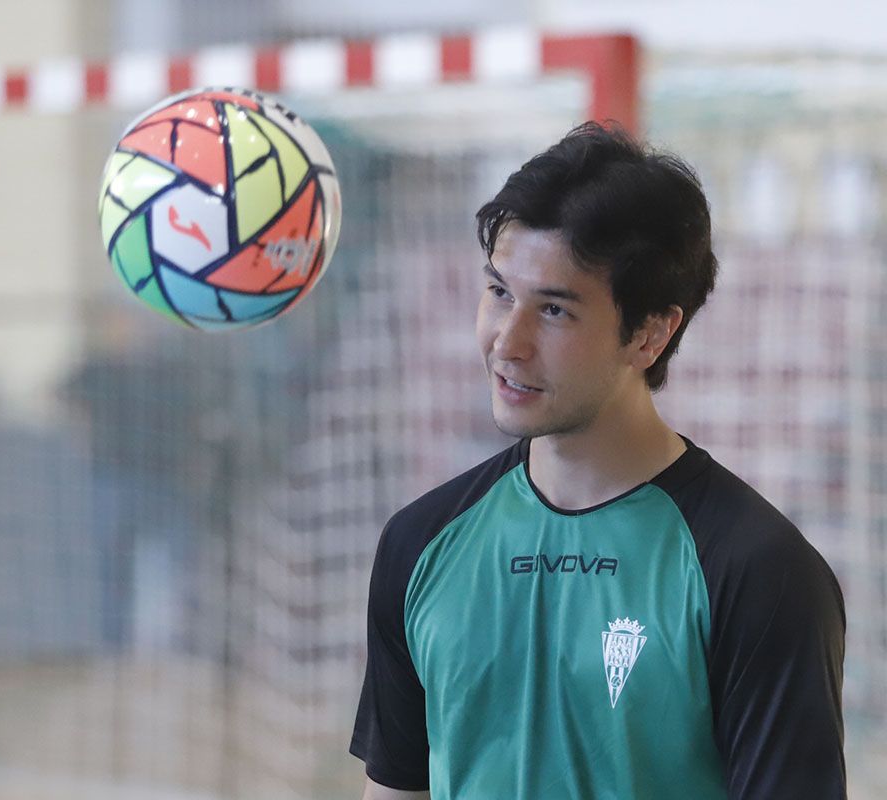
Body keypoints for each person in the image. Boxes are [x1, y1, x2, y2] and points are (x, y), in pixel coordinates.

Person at [349, 122, 846, 799]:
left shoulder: (756, 572)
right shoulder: (420, 545)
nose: (507, 342)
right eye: (499, 292)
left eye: (553, 310)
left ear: (649, 334)